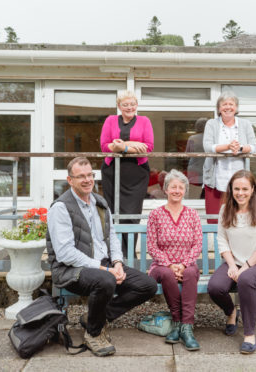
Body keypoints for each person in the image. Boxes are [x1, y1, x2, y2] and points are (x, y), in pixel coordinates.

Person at [46, 157, 157, 357]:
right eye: (81, 176)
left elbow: (112, 236)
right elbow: (65, 254)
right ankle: (93, 334)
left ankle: (94, 318)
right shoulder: (60, 208)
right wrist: (105, 269)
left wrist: (117, 263)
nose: (88, 180)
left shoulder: (100, 202)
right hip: (71, 270)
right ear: (70, 180)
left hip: (104, 265)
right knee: (106, 280)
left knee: (148, 285)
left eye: (90, 175)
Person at [207, 170, 256, 354]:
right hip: (233, 263)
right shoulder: (225, 210)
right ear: (231, 189)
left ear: (252, 189)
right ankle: (231, 312)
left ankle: (249, 334)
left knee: (246, 280)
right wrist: (231, 265)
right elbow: (222, 240)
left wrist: (244, 267)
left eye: (245, 188)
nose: (240, 193)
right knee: (214, 286)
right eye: (236, 188)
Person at [146, 169, 203, 351]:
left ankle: (186, 327)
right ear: (166, 189)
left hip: (187, 264)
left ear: (185, 190)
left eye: (181, 187)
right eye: (173, 187)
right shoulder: (155, 215)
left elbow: (197, 244)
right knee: (167, 274)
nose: (177, 190)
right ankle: (178, 322)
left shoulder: (192, 214)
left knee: (191, 272)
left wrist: (184, 264)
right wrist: (171, 265)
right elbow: (152, 246)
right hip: (161, 266)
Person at [100, 90, 154, 257]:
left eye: (132, 104)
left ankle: (129, 252)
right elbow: (104, 146)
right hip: (112, 172)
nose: (129, 107)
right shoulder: (110, 120)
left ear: (136, 105)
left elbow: (148, 147)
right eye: (125, 104)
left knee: (131, 215)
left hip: (136, 174)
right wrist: (131, 146)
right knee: (113, 214)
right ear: (119, 106)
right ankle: (116, 253)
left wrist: (121, 146)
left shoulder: (144, 121)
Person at [203, 91, 256, 223]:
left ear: (236, 108)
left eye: (231, 104)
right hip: (216, 178)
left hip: (239, 177)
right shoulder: (211, 124)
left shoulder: (245, 124)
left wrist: (239, 148)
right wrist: (228, 146)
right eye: (224, 104)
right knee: (215, 219)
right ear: (219, 109)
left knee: (239, 218)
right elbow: (207, 147)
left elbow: (254, 147)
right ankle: (217, 243)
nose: (228, 107)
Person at [186, 117, 208, 194]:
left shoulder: (192, 138)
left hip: (194, 169)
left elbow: (187, 154)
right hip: (207, 169)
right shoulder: (210, 139)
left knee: (193, 193)